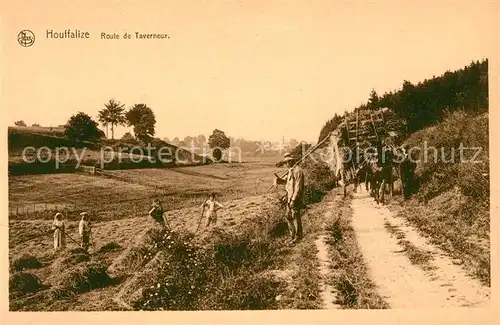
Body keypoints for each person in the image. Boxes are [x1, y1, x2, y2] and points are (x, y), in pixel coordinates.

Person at [274, 153, 305, 244]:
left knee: (295, 217)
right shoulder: (291, 171)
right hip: (289, 197)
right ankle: (292, 236)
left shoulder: (298, 171)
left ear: (291, 161)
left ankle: (298, 237)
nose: (285, 164)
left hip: (295, 198)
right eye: (284, 163)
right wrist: (280, 181)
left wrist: (293, 200)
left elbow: (298, 188)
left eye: (286, 163)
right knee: (288, 217)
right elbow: (288, 183)